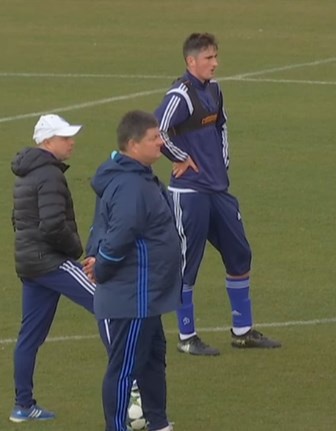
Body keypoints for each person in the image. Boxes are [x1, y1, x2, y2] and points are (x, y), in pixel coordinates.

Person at [154, 32, 280, 356]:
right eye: (208, 58)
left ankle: (242, 331)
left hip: (218, 190)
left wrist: (222, 164)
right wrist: (180, 157)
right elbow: (157, 130)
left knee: (240, 255)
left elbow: (221, 126)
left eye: (215, 56)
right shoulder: (180, 95)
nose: (215, 63)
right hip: (189, 193)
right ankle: (187, 337)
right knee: (187, 263)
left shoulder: (215, 90)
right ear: (191, 61)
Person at [9, 114, 110, 423]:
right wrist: (75, 250)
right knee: (109, 302)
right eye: (65, 137)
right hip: (51, 261)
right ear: (48, 141)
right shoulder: (49, 174)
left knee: (29, 336)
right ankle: (131, 384)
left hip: (30, 264)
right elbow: (53, 224)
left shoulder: (26, 172)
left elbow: (18, 219)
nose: (72, 142)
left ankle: (22, 406)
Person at [85, 111, 180, 431]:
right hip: (132, 296)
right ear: (133, 144)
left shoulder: (139, 177)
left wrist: (96, 256)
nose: (161, 142)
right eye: (154, 138)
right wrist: (102, 266)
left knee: (152, 360)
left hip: (147, 294)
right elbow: (119, 235)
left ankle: (158, 422)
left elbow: (100, 227)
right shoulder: (130, 185)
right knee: (125, 369)